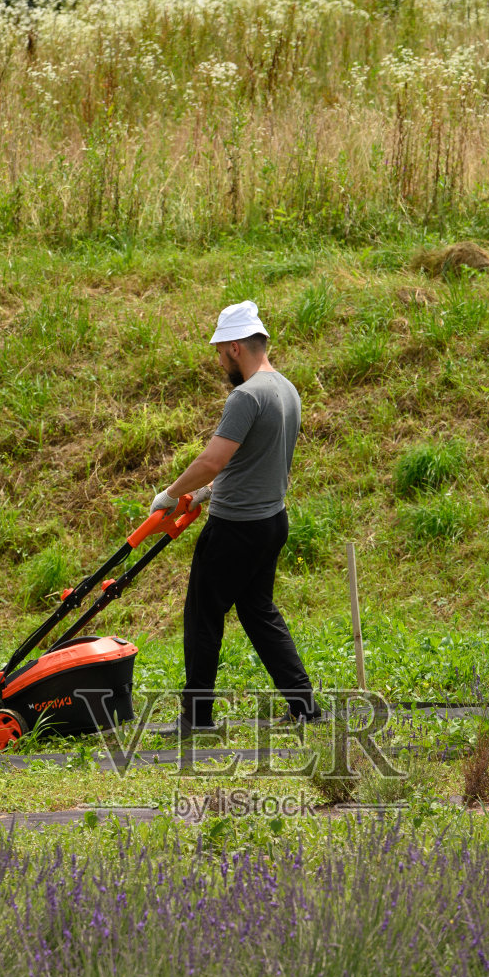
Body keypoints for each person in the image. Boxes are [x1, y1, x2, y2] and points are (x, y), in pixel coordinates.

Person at [149, 299, 321, 733]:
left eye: (220, 352)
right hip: (271, 521)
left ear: (235, 348)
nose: (219, 361)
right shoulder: (286, 388)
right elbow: (259, 460)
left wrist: (171, 494)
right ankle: (305, 706)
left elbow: (213, 459)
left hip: (235, 528)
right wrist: (208, 492)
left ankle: (197, 718)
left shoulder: (246, 397)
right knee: (257, 610)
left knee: (203, 615)